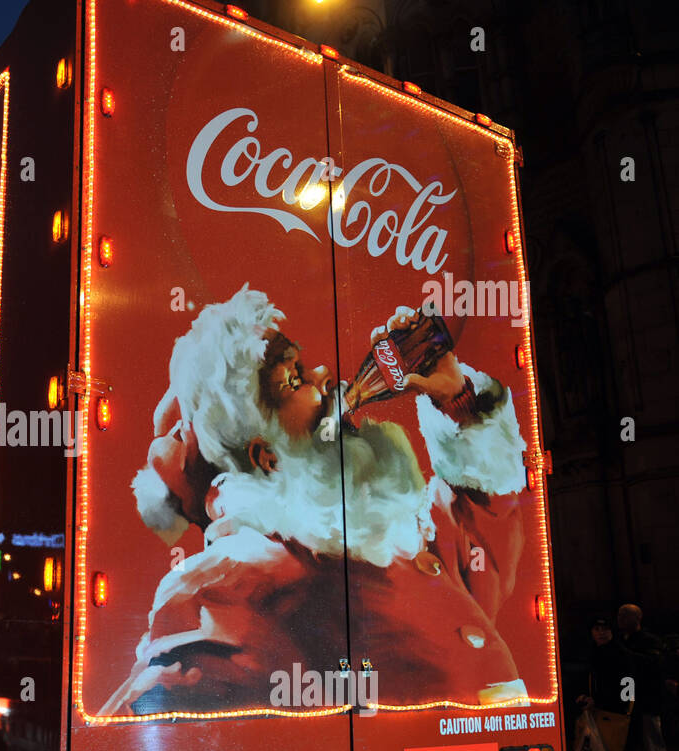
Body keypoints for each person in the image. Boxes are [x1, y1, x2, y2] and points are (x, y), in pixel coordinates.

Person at [103, 285, 530, 715]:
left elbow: (485, 554)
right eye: (293, 380)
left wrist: (456, 398)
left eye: (303, 365)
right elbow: (150, 711)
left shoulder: (387, 539)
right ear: (266, 456)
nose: (326, 376)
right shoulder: (235, 584)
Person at [616, 603, 671, 751]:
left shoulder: (648, 642)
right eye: (620, 615)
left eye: (625, 615)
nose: (620, 619)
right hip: (627, 706)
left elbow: (654, 666)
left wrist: (625, 654)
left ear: (637, 619)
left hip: (647, 704)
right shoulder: (622, 641)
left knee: (654, 750)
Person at [577, 618, 636, 751]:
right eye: (597, 629)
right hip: (601, 713)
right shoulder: (592, 653)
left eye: (605, 629)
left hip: (617, 715)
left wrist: (619, 706)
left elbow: (627, 685)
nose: (601, 633)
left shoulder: (620, 655)